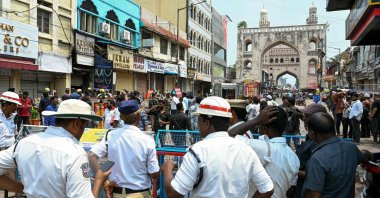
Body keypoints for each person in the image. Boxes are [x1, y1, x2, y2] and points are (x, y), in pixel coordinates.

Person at [161, 96, 274, 198]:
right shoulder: (246, 149)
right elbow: (267, 189)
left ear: (207, 123)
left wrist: (167, 170)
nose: (198, 125)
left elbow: (174, 193)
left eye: (199, 120)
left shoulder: (198, 151)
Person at [0, 99, 109, 197]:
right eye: (84, 126)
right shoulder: (75, 154)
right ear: (77, 124)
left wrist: (26, 189)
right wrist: (98, 182)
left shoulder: (24, 143)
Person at [88, 100, 159, 198]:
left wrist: (104, 180)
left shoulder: (110, 135)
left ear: (121, 117)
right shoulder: (147, 140)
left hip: (116, 193)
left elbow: (91, 156)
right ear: (138, 116)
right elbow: (154, 173)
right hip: (140, 194)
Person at [236, 106, 300, 198]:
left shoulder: (263, 147)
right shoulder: (294, 157)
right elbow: (291, 189)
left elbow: (228, 137)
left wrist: (256, 120)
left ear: (265, 128)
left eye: (259, 126)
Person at [302, 112, 370, 198]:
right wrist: (366, 153)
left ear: (312, 133)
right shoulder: (351, 148)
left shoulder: (317, 159)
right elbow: (365, 155)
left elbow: (313, 195)